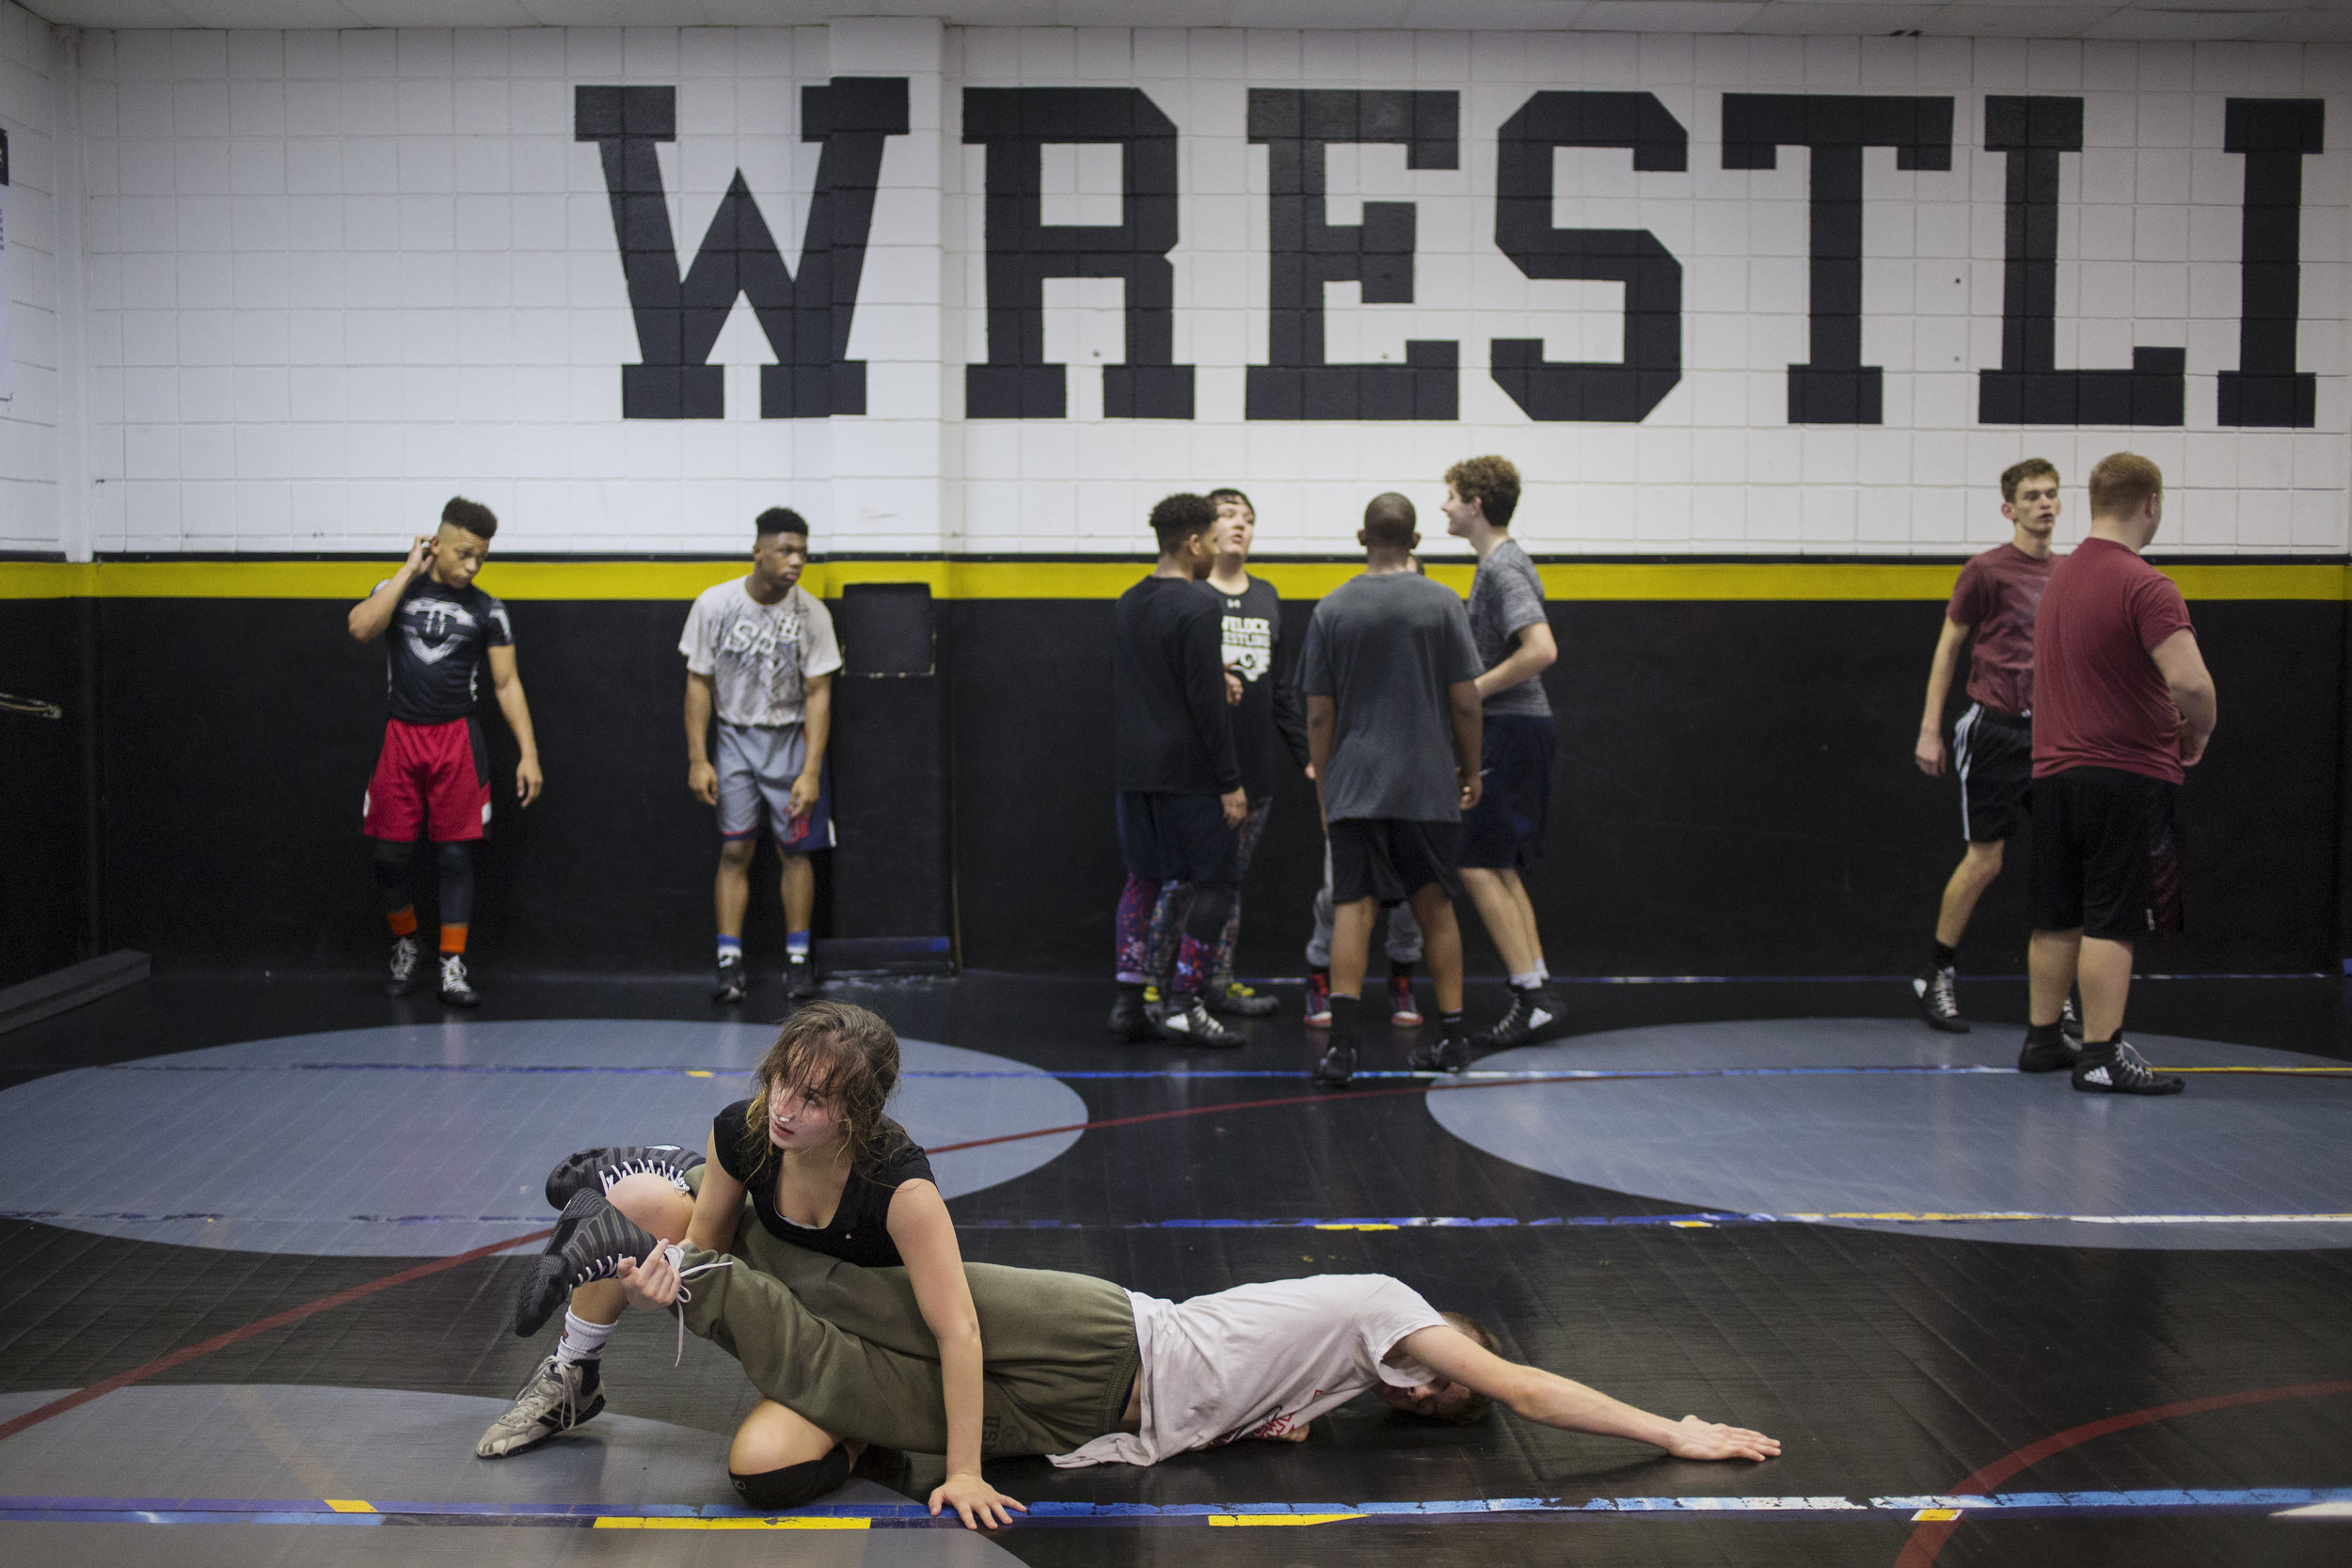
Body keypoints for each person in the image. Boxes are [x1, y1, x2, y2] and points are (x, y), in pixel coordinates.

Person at [519, 1184, 1780, 1493]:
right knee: (867, 1296)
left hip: (1093, 1418)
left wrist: (1268, 1413)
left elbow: (1271, 1388)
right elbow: (1529, 1390)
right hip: (1102, 1332)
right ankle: (653, 1211)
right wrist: (1675, 1427)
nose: (1451, 1387)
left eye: (1437, 1399)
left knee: (778, 1448)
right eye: (1453, 1376)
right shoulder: (1393, 1304)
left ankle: (662, 1264)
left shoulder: (1342, 1373)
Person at [485, 1004, 1024, 1530]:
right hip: (784, 1312)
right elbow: (701, 1257)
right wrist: (656, 1292)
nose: (783, 1108)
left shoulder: (900, 1187)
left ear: (858, 1115)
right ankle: (574, 1373)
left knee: (762, 1470)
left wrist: (964, 1472)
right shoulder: (746, 1131)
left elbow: (959, 1329)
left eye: (811, 1098)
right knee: (637, 1198)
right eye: (780, 1082)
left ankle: (863, 1432)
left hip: (858, 1349)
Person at [2020, 452, 2217, 1095]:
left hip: (2052, 775)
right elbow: (2189, 680)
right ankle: (2102, 1054)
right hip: (2122, 775)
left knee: (2057, 912)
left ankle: (2044, 1037)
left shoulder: (2061, 581)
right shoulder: (2145, 584)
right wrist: (2200, 728)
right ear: (2151, 503)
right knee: (2113, 916)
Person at [1300, 493, 1484, 1088]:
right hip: (1427, 782)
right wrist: (1470, 769)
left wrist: (1327, 788)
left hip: (1355, 783)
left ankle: (1343, 1051)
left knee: (1353, 909)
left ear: (1361, 537)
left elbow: (1319, 717)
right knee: (1434, 906)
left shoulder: (1332, 609)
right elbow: (1465, 700)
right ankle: (1454, 1040)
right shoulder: (1443, 604)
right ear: (1416, 542)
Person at [346, 497, 542, 1006]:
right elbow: (361, 628)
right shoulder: (397, 592)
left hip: (457, 740)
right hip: (401, 737)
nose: (472, 565)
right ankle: (406, 944)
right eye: (463, 553)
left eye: (481, 557)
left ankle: (452, 964)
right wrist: (409, 568)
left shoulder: (487, 609)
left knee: (457, 856)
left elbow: (507, 685)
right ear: (437, 544)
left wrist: (529, 753)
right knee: (389, 855)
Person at [1911, 459, 2064, 1034]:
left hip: (2052, 736)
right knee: (1986, 861)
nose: (2045, 504)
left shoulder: (2071, 574)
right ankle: (1937, 975)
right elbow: (1949, 646)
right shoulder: (1987, 570)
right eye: (2032, 497)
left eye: (2052, 494)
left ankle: (2058, 999)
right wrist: (1931, 728)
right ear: (2010, 509)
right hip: (1994, 732)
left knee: (2063, 865)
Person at [681, 509, 841, 1003]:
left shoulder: (812, 613)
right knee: (735, 850)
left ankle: (797, 962)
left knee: (796, 851)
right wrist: (698, 758)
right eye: (785, 551)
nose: (796, 562)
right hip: (734, 739)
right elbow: (698, 682)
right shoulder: (715, 605)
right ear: (758, 551)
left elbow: (819, 693)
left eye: (803, 554)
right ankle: (729, 963)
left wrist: (811, 770)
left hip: (790, 739)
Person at [1107, 494, 1249, 1049]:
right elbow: (1205, 707)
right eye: (1213, 540)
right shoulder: (1198, 606)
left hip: (1132, 772)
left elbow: (1151, 679)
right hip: (1187, 772)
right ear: (1193, 543)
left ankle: (1128, 1003)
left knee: (1143, 879)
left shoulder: (1126, 602)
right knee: (1216, 882)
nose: (1216, 550)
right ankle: (1186, 1003)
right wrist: (1230, 781)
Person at [1440, 457, 1567, 1048]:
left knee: (1474, 861)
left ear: (1477, 507)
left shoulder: (1501, 569)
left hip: (1511, 730)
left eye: (1451, 496)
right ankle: (1536, 988)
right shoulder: (1497, 565)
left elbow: (1541, 650)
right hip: (1517, 730)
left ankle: (1530, 993)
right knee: (1498, 864)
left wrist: (1471, 691)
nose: (1443, 506)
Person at [1175, 486, 1311, 1021]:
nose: (1240, 524)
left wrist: (1305, 753)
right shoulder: (1189, 594)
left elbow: (1281, 690)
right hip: (1196, 770)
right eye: (1228, 515)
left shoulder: (1267, 596)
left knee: (1229, 883)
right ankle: (1169, 986)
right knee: (1185, 884)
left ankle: (1219, 983)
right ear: (1206, 531)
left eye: (1248, 517)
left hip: (1254, 769)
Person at [1303, 552, 1430, 1030]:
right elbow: (1320, 712)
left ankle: (1402, 980)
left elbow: (1458, 703)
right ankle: (1321, 978)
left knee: (1414, 899)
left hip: (1414, 786)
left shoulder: (1433, 633)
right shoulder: (1347, 625)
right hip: (1358, 784)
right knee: (1341, 892)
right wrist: (1327, 785)